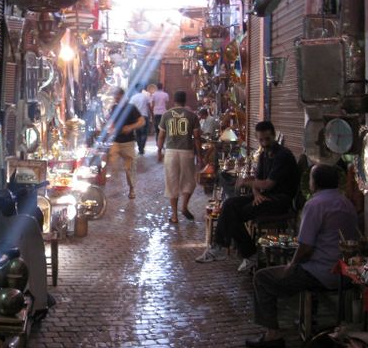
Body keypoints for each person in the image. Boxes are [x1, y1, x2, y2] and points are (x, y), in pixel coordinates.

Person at [246, 164, 358, 348]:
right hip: (345, 272)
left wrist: (291, 265)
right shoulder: (346, 203)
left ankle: (272, 334)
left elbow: (305, 247)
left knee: (262, 278)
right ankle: (308, 319)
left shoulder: (315, 204)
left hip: (321, 273)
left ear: (314, 183)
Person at [208, 121, 299, 272]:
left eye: (267, 139)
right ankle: (221, 247)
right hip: (264, 196)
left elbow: (267, 184)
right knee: (230, 204)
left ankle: (247, 253)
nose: (264, 143)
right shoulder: (263, 155)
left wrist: (249, 184)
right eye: (261, 140)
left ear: (274, 136)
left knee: (233, 215)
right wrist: (255, 193)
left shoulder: (283, 155)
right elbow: (258, 182)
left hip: (280, 200)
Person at [157, 91, 201, 224]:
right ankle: (184, 206)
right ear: (185, 100)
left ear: (173, 100)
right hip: (187, 152)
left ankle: (175, 216)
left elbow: (161, 136)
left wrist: (159, 151)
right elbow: (197, 138)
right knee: (189, 181)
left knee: (171, 183)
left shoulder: (166, 115)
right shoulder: (192, 116)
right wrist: (199, 155)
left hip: (170, 152)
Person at [106, 87, 145, 199]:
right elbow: (112, 121)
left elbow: (142, 121)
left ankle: (132, 189)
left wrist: (131, 127)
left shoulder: (131, 108)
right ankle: (115, 184)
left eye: (117, 97)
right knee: (112, 162)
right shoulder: (113, 108)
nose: (115, 99)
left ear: (123, 96)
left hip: (128, 143)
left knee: (129, 169)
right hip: (116, 142)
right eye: (115, 97)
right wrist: (111, 129)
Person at [128, 83, 151, 155]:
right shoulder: (146, 97)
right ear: (141, 89)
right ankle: (141, 148)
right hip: (144, 116)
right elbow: (149, 107)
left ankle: (140, 148)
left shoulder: (133, 98)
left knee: (138, 134)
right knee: (144, 133)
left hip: (136, 118)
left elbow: (130, 108)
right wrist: (151, 115)